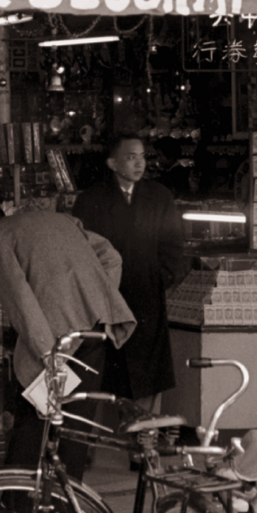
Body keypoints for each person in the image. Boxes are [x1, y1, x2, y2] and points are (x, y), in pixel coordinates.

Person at [0, 195, 135, 513]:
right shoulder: (59, 219)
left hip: (56, 335)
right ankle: (62, 504)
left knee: (33, 419)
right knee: (75, 418)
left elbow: (19, 298)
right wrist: (96, 297)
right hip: (95, 325)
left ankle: (14, 506)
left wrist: (46, 352)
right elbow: (111, 257)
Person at [71, 134, 189, 412]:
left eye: (142, 157)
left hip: (147, 295)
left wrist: (159, 278)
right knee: (110, 371)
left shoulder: (159, 196)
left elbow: (173, 246)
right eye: (131, 157)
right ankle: (112, 437)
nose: (139, 163)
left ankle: (143, 441)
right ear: (112, 163)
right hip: (107, 298)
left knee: (148, 372)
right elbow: (81, 249)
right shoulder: (92, 199)